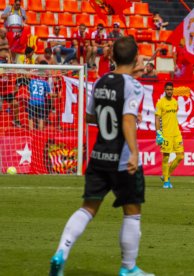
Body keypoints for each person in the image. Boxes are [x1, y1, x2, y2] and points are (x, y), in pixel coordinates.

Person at [49, 36, 154, 276]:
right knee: (132, 211)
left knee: (87, 208)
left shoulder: (101, 81)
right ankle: (128, 268)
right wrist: (135, 153)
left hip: (98, 156)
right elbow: (128, 119)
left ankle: (61, 253)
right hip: (122, 159)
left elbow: (89, 117)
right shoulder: (133, 86)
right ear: (136, 58)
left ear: (111, 57)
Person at [154, 82, 184, 188]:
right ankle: (166, 181)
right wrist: (158, 133)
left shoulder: (175, 102)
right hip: (166, 134)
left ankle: (166, 174)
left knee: (180, 156)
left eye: (171, 89)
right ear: (164, 90)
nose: (169, 91)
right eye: (167, 89)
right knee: (166, 157)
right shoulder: (160, 103)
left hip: (176, 133)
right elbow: (157, 118)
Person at [27, 65, 53, 130]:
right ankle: (40, 131)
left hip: (32, 101)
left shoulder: (32, 81)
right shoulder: (45, 82)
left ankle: (31, 131)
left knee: (31, 117)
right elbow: (50, 94)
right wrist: (56, 94)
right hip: (41, 102)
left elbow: (29, 90)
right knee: (41, 118)